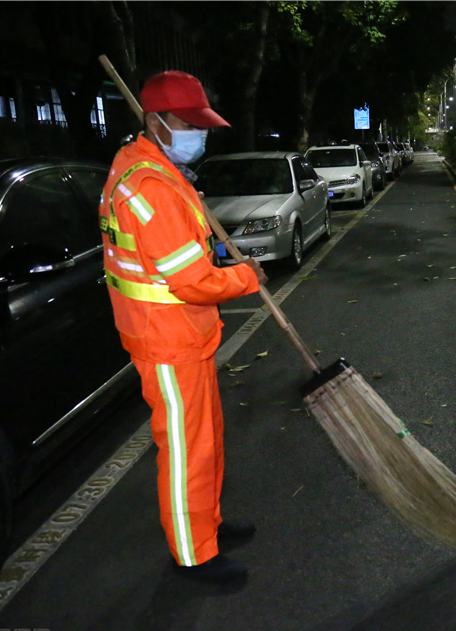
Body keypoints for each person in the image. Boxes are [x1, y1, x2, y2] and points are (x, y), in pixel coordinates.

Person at [99, 70, 268, 585]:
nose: (200, 134)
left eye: (202, 125)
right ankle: (194, 553)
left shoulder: (150, 166)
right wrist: (246, 277)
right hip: (167, 339)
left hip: (181, 335)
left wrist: (218, 255)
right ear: (156, 122)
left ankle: (207, 522)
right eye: (190, 125)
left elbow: (183, 253)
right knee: (185, 450)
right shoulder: (151, 185)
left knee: (205, 437)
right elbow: (191, 281)